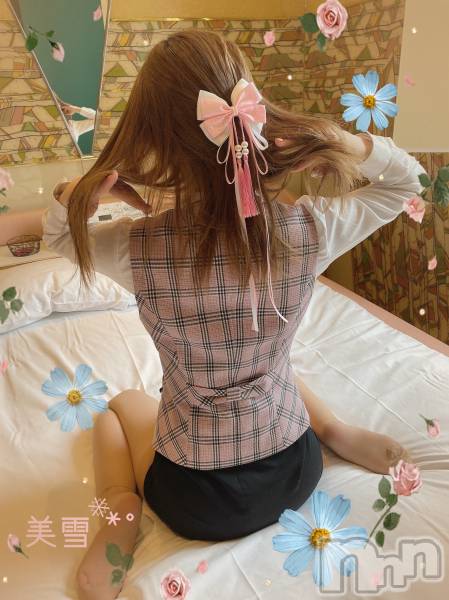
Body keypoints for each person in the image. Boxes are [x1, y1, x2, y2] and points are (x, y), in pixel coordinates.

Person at [42, 30, 425, 600]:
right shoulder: (310, 229)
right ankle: (334, 431)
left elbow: (57, 236)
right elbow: (406, 183)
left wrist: (80, 189)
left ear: (152, 144)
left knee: (118, 407)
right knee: (273, 366)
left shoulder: (134, 248)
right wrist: (338, 138)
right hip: (297, 468)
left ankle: (120, 509)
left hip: (196, 498)